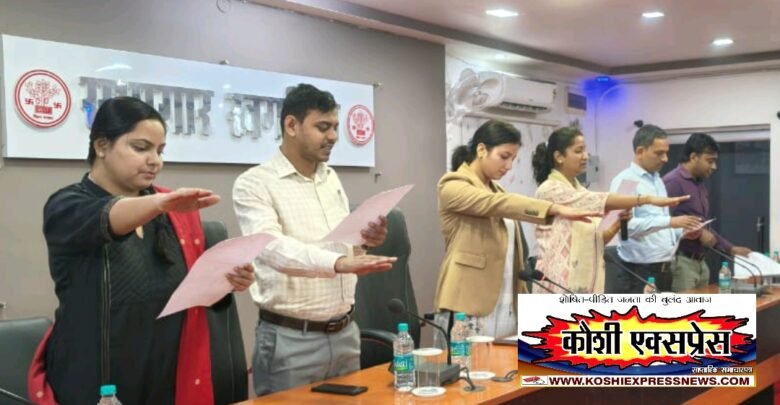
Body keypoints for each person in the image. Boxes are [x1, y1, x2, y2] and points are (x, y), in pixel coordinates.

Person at [31, 97, 253, 405]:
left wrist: (226, 281)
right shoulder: (68, 206)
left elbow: (189, 294)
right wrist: (159, 203)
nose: (155, 161)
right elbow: (110, 217)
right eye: (141, 148)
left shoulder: (170, 211)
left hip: (167, 374)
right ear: (102, 145)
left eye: (160, 151)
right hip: (95, 377)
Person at [232, 83, 395, 396]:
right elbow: (272, 248)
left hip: (346, 333)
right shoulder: (254, 183)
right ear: (291, 125)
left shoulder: (329, 178)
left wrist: (364, 243)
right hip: (291, 341)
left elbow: (341, 245)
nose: (333, 136)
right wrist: (340, 262)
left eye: (335, 127)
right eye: (322, 127)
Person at [432, 120, 601, 342]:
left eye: (513, 159)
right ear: (481, 150)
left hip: (505, 303)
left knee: (505, 364)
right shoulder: (452, 184)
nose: (509, 165)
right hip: (468, 301)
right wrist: (554, 208)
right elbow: (498, 204)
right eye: (504, 156)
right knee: (465, 364)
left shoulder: (497, 190)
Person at [532, 127, 688, 294]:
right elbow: (600, 200)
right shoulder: (550, 189)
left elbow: (598, 240)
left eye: (585, 151)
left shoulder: (581, 190)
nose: (586, 156)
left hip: (588, 281)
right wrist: (647, 200)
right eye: (578, 151)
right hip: (559, 280)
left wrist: (618, 223)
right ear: (559, 157)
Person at [609, 124, 704, 293]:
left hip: (664, 268)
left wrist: (682, 232)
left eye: (666, 152)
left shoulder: (657, 180)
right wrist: (671, 222)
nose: (665, 159)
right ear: (640, 152)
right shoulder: (626, 181)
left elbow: (660, 228)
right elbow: (625, 228)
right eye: (659, 153)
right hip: (639, 271)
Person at [663, 133, 753, 292]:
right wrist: (696, 233)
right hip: (681, 262)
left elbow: (704, 227)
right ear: (693, 157)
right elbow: (659, 224)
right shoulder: (672, 182)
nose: (714, 167)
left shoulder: (699, 185)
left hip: (700, 262)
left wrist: (730, 248)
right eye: (709, 161)